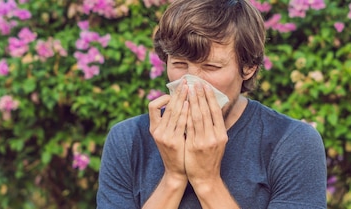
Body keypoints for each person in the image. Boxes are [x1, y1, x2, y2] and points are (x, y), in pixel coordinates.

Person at [96, 0, 327, 208]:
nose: (191, 83)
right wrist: (174, 177)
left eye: (211, 67)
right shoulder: (128, 140)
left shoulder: (292, 142)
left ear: (248, 68)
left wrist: (206, 180)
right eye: (179, 64)